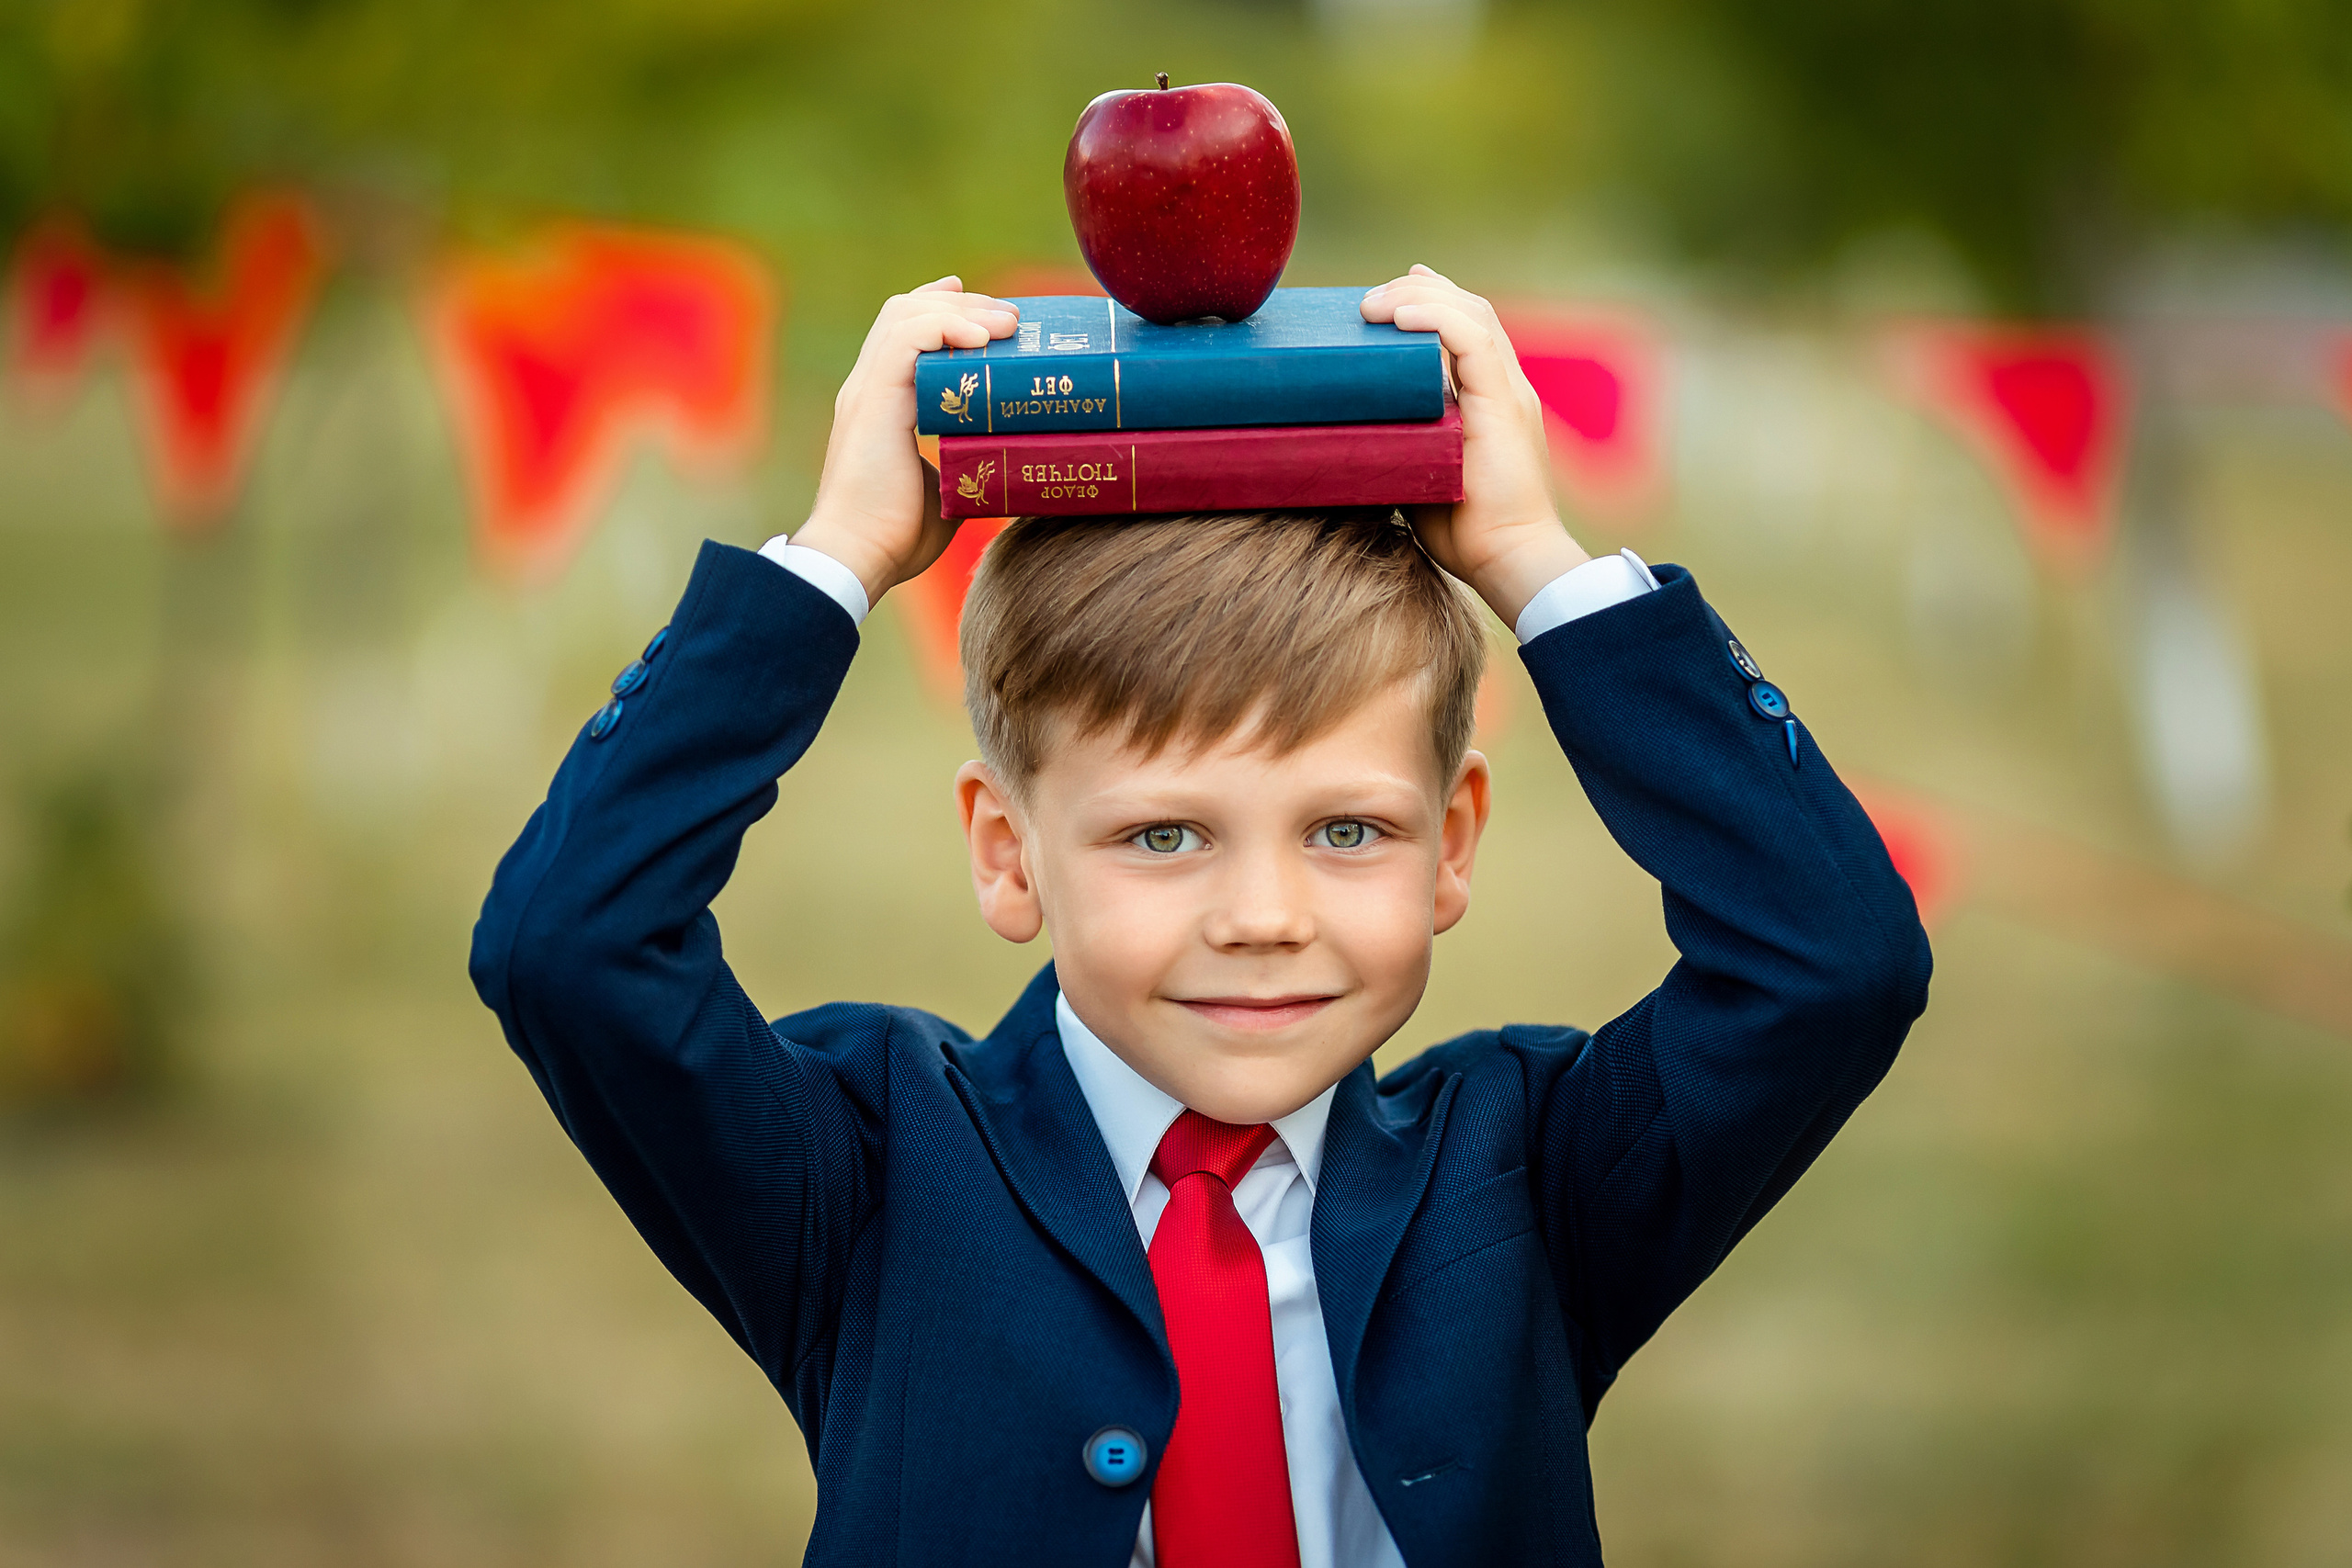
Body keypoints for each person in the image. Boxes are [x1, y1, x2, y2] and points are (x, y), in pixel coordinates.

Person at [470, 265, 1932, 1568]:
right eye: (1163, 835)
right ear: (1008, 854)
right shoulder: (867, 1175)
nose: (1262, 915)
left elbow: (1835, 962)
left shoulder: (1532, 1179)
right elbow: (571, 947)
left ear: (1453, 843)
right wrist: (838, 553)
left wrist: (1539, 567)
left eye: (1348, 831)